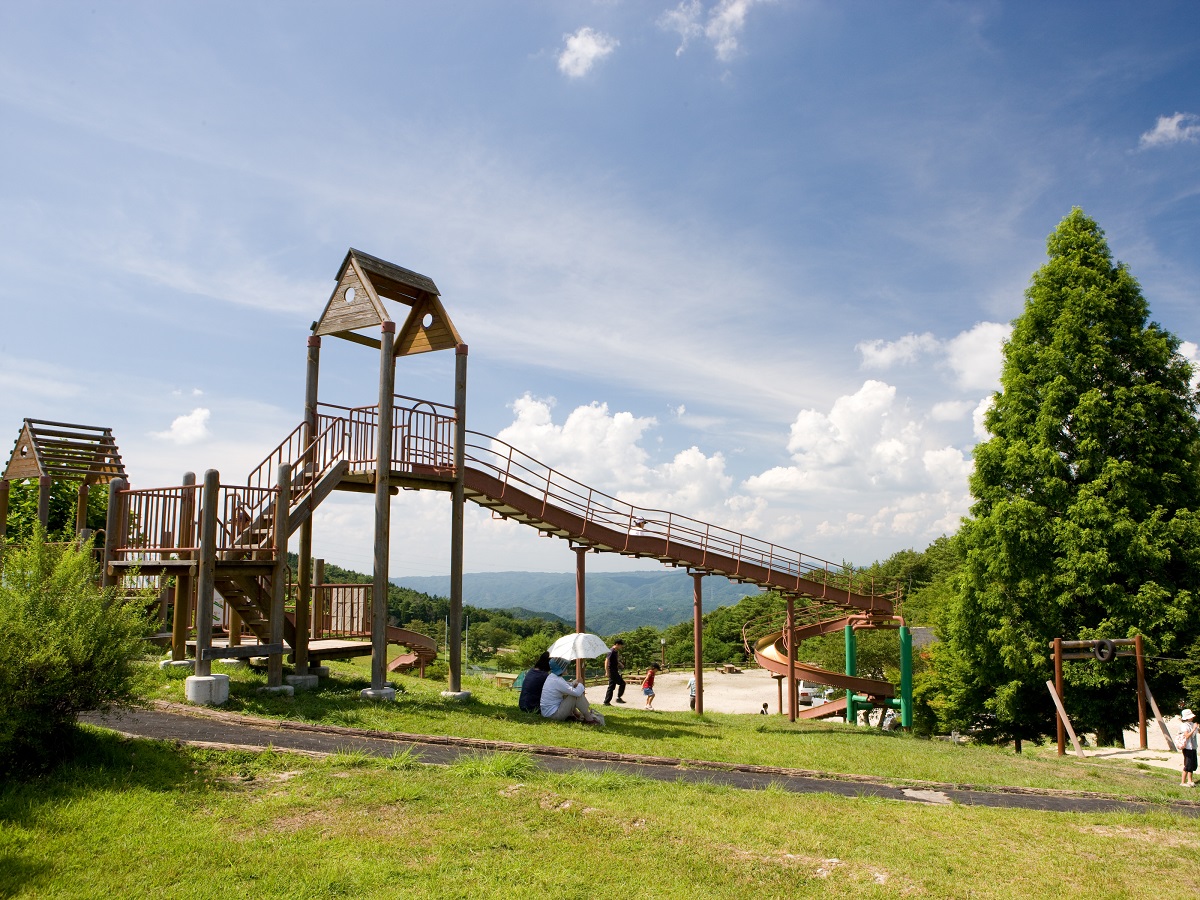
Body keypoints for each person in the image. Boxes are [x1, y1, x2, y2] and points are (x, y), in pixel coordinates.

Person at [540, 659, 604, 725]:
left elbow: (565, 686)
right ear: (562, 668)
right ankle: (589, 719)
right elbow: (577, 693)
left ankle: (577, 715)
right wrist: (580, 684)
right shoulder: (557, 680)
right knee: (575, 695)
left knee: (571, 693)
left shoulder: (552, 677)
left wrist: (574, 683)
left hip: (548, 713)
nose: (567, 668)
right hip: (553, 715)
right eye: (565, 667)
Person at [603, 639, 626, 705]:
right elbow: (606, 661)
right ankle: (618, 698)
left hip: (614, 670)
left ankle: (606, 702)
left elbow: (614, 660)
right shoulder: (611, 651)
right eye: (621, 645)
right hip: (612, 671)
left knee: (611, 686)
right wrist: (607, 671)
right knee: (622, 683)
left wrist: (619, 663)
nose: (621, 647)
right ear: (617, 644)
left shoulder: (615, 652)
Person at [1179, 708, 1198, 787]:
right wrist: (1193, 729)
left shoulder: (1191, 723)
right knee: (1187, 764)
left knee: (1193, 765)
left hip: (1193, 747)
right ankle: (1182, 782)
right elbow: (1187, 736)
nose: (1192, 717)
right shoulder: (1184, 725)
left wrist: (1196, 728)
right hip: (1187, 747)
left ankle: (1190, 780)